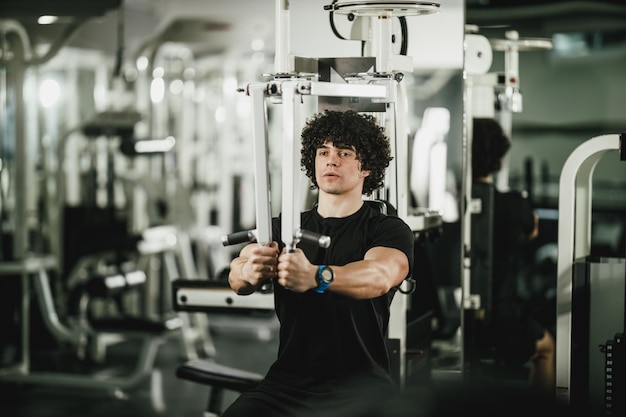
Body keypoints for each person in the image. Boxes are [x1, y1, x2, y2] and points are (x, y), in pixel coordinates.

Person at [223, 110, 415, 417]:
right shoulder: (284, 227)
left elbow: (380, 275)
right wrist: (250, 270)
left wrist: (317, 277)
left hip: (361, 389)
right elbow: (238, 272)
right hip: (286, 386)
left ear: (366, 167)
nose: (331, 160)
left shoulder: (387, 228)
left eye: (344, 153)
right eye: (323, 152)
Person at [471, 117, 555, 396]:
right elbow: (532, 230)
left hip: (459, 315)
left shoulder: (447, 201)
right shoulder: (514, 205)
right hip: (500, 316)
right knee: (547, 348)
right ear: (498, 157)